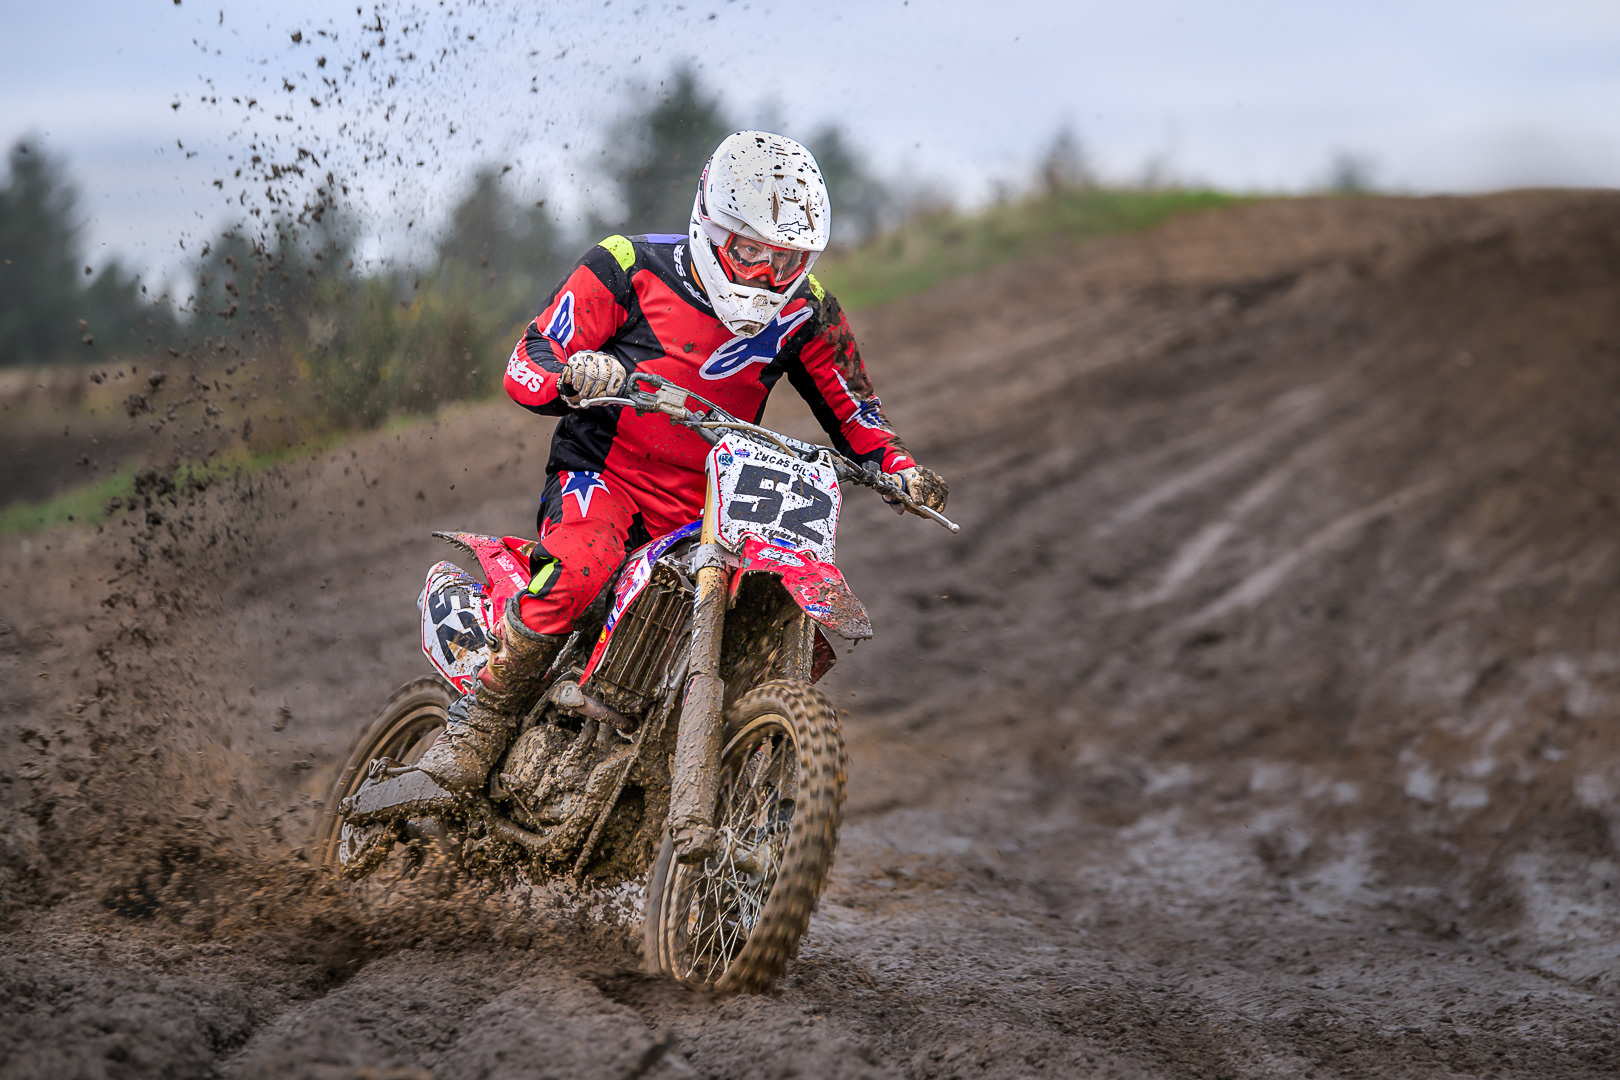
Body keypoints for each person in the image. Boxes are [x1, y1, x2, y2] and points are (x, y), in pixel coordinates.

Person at [414, 130, 949, 792]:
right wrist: (574, 376)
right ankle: (479, 724)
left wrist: (899, 469)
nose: (765, 274)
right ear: (711, 225)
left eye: (786, 258)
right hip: (603, 479)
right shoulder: (627, 266)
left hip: (712, 508)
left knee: (767, 611)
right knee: (582, 568)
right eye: (749, 250)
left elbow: (855, 410)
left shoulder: (809, 311)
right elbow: (532, 355)